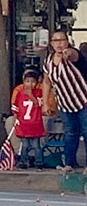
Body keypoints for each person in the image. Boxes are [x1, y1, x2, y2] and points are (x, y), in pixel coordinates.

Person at [42, 31, 87, 168]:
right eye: (55, 41)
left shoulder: (73, 54)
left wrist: (68, 53)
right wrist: (45, 103)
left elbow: (74, 55)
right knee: (70, 133)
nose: (59, 43)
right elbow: (46, 82)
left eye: (62, 40)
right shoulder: (48, 61)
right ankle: (69, 164)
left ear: (67, 41)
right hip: (65, 103)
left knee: (86, 132)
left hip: (83, 99)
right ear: (51, 43)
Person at [12, 69, 45, 170]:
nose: (30, 84)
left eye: (33, 81)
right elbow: (15, 108)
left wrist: (31, 95)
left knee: (36, 145)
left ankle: (39, 162)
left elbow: (38, 105)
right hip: (24, 124)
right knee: (25, 145)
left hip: (35, 123)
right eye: (27, 81)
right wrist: (16, 118)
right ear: (23, 82)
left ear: (36, 83)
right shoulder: (20, 93)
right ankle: (23, 161)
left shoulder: (39, 93)